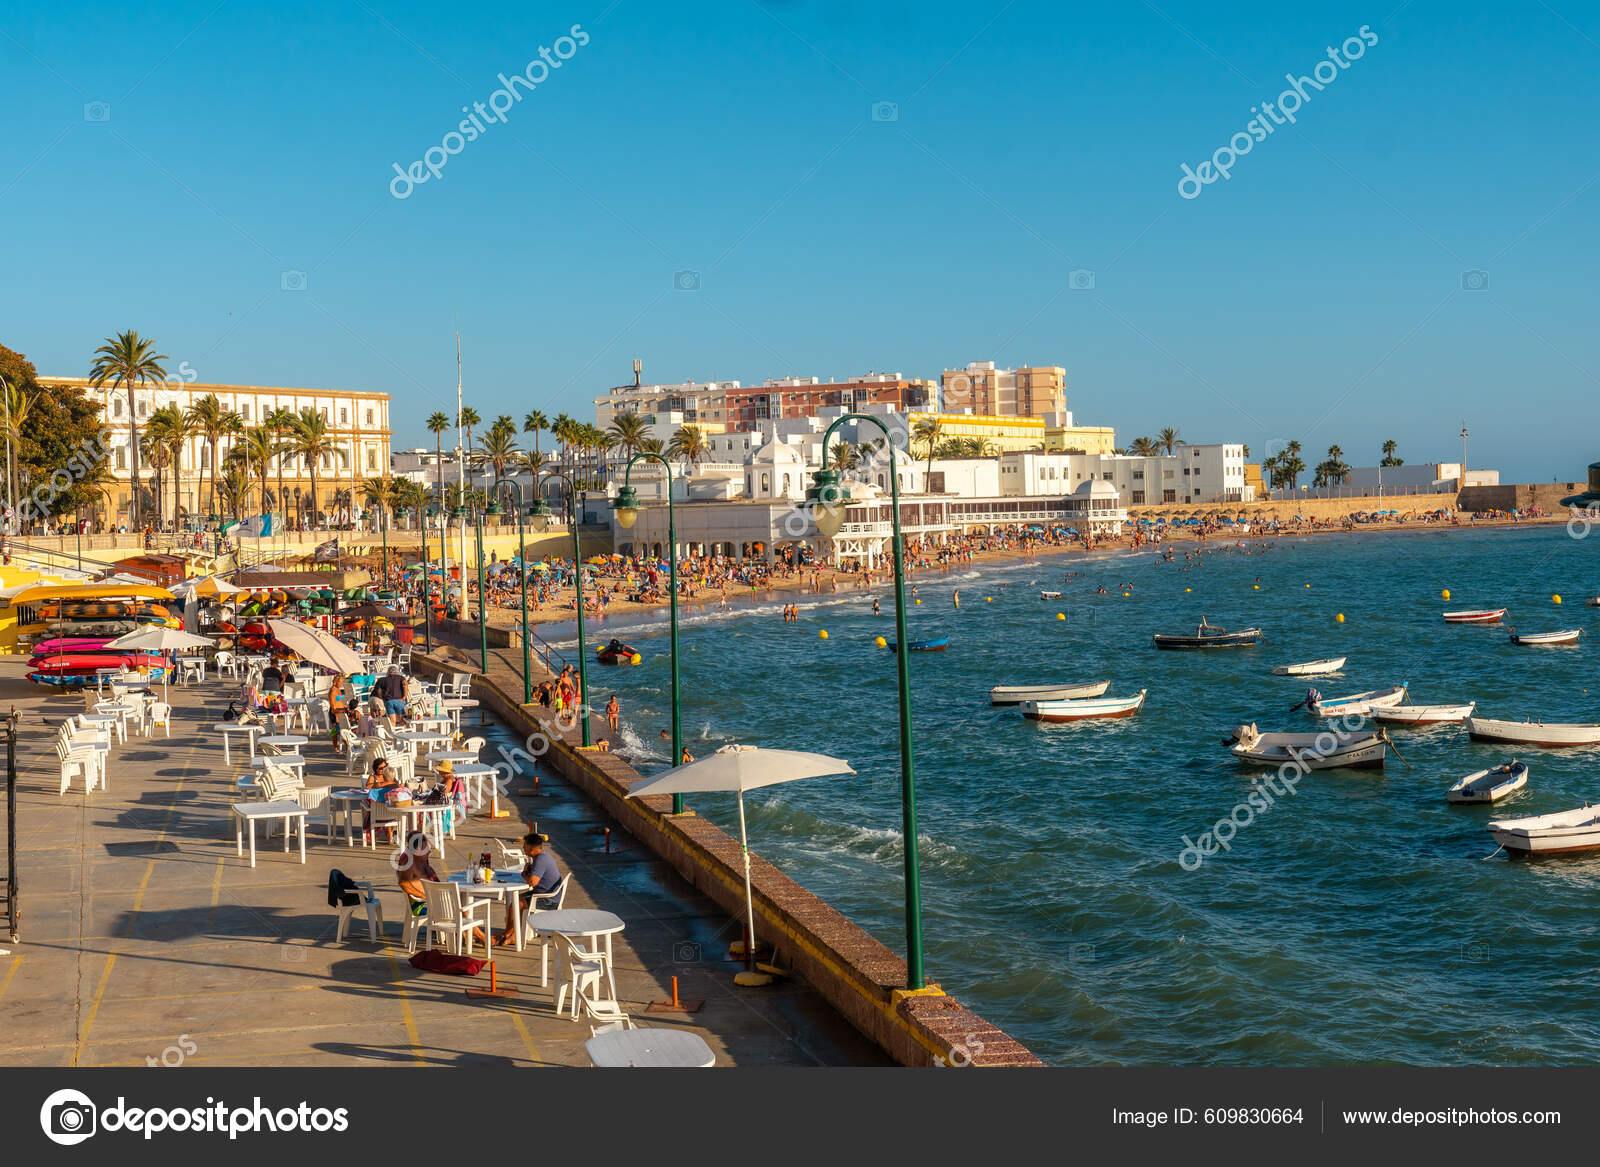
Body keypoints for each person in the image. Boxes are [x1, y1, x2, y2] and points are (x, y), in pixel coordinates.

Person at [395, 832, 489, 947]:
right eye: (426, 848)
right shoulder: (409, 864)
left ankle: (464, 935)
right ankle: (483, 937)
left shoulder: (419, 859)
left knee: (457, 899)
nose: (429, 851)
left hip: (434, 898)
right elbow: (404, 884)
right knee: (457, 906)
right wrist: (426, 896)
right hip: (424, 905)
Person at [498, 832, 561, 945]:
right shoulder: (544, 856)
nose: (523, 848)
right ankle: (513, 934)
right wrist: (529, 870)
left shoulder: (540, 860)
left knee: (516, 904)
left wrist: (524, 875)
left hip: (548, 900)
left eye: (525, 845)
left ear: (532, 848)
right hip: (547, 894)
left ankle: (507, 934)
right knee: (517, 900)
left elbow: (533, 882)